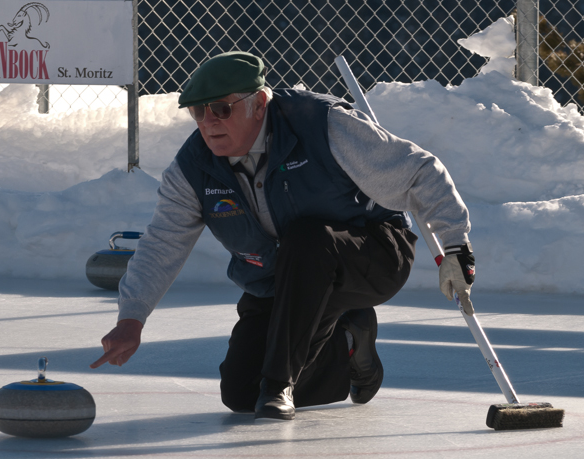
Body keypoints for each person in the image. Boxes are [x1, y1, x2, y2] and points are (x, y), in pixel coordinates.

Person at [90, 51, 475, 421]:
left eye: (221, 108)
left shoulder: (321, 124)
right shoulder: (193, 169)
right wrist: (132, 318)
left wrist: (455, 246)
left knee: (307, 238)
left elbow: (421, 171)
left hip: (369, 257)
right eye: (197, 111)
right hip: (278, 280)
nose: (208, 122)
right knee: (241, 395)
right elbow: (163, 242)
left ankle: (280, 385)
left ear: (258, 103)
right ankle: (349, 343)